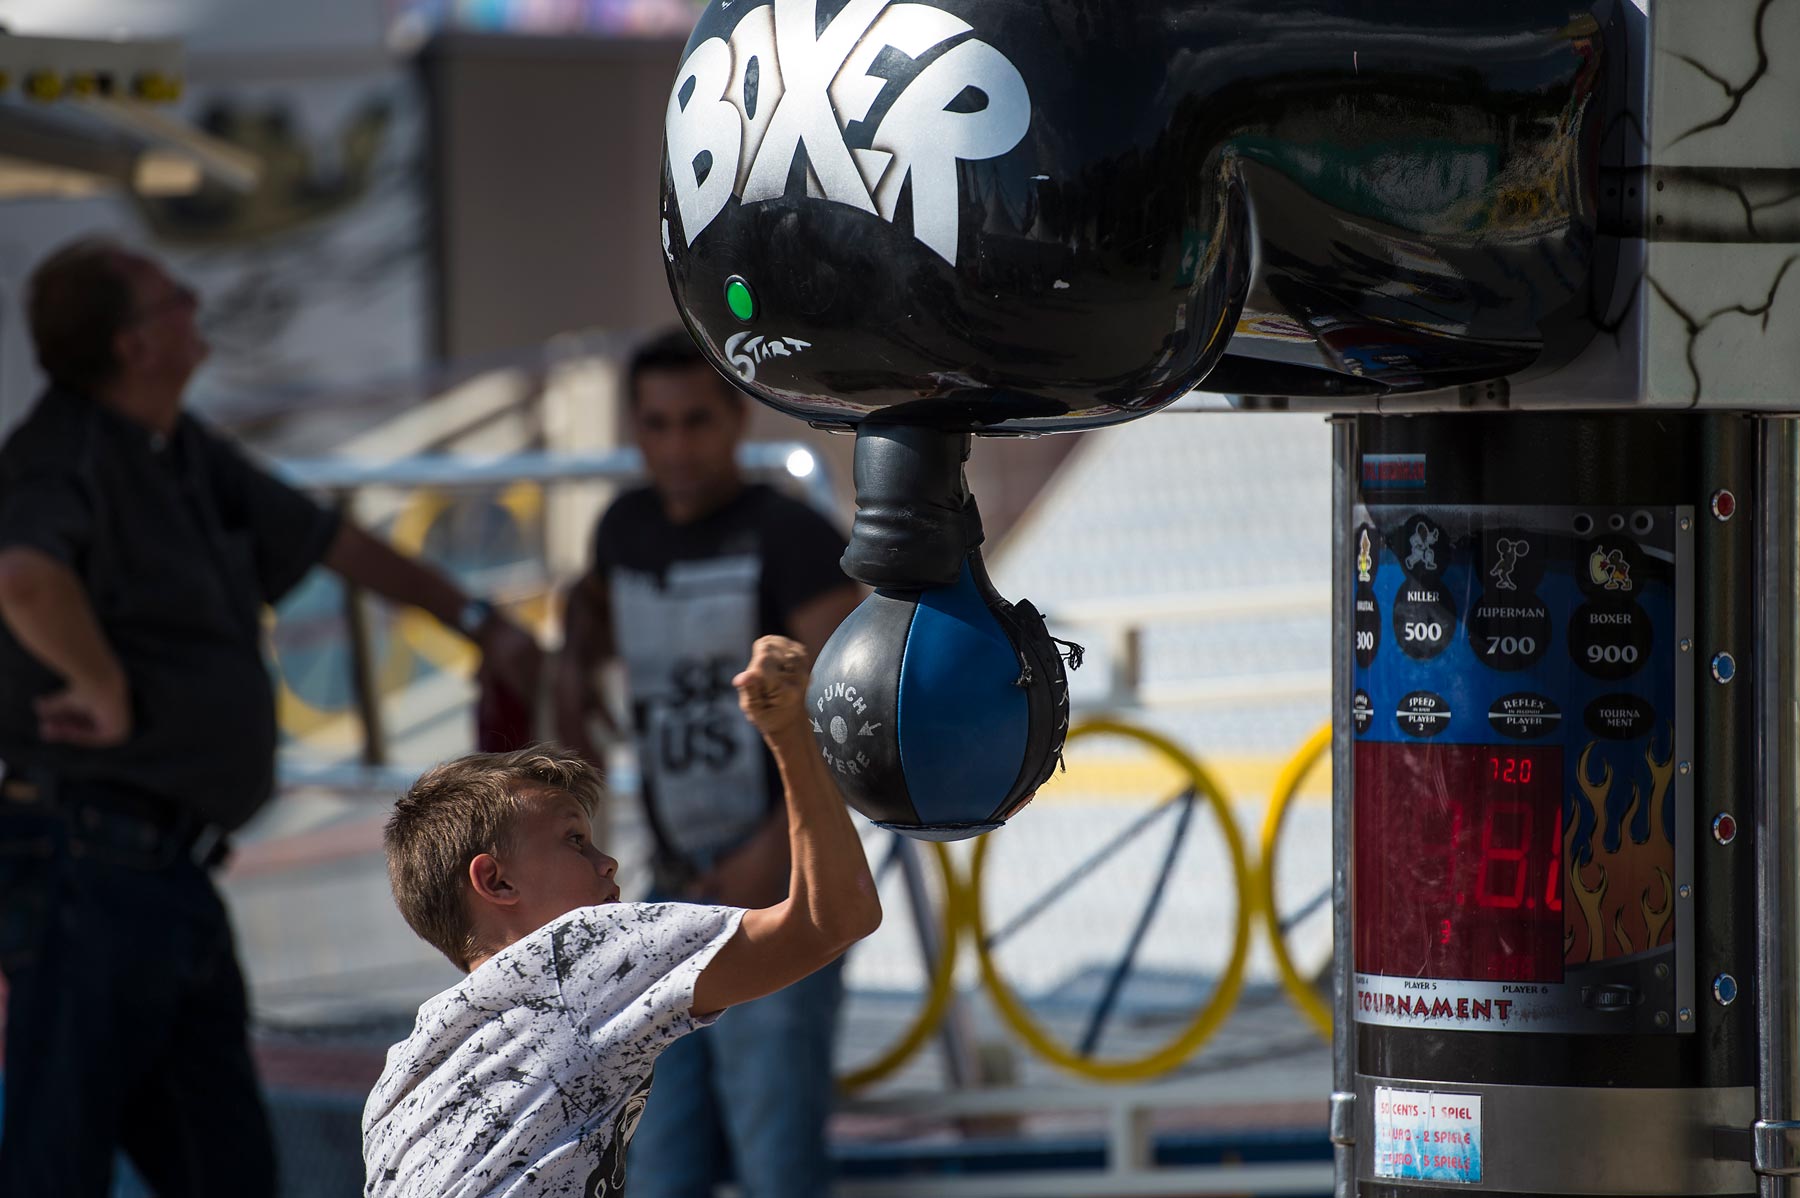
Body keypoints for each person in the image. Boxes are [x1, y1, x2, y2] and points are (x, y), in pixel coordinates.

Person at [0, 237, 542, 1197]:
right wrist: (102, 685)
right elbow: (24, 577)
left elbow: (330, 541)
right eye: (175, 300)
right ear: (132, 345)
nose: (195, 306)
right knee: (59, 1161)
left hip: (164, 875)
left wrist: (475, 622)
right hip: (88, 870)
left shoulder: (177, 448)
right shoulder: (65, 454)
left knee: (225, 1164)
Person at [363, 637, 881, 1196]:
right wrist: (790, 734)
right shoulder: (574, 953)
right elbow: (837, 916)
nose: (607, 861)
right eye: (574, 840)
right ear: (496, 881)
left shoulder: (402, 1075)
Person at [552, 330, 862, 1198]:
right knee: (659, 1164)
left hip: (779, 889)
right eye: (657, 425)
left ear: (735, 420)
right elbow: (587, 623)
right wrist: (570, 657)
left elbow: (852, 711)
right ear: (636, 431)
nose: (678, 446)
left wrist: (774, 852)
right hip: (672, 889)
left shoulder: (791, 534)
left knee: (777, 1164)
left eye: (697, 421)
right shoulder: (624, 529)